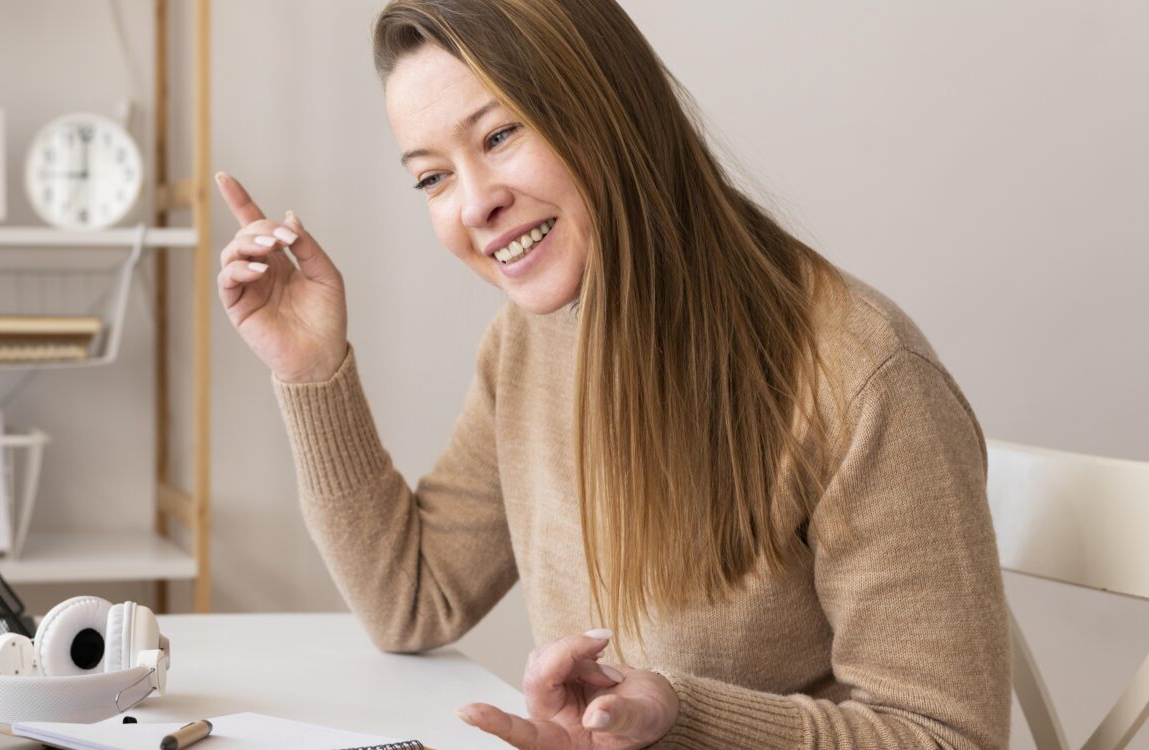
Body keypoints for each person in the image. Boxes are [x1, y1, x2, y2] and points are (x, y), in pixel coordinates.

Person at [214, 0, 1010, 747]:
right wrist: (313, 371)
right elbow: (411, 600)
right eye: (431, 177)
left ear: (607, 108)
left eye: (498, 136)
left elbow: (946, 734)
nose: (473, 205)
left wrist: (682, 716)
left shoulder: (860, 373)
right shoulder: (524, 346)